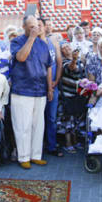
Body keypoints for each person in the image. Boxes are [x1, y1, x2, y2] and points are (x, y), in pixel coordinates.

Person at [10, 15, 53, 169]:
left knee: (38, 125)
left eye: (36, 26)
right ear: (24, 27)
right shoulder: (17, 41)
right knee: (23, 126)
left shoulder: (43, 45)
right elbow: (21, 57)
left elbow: (48, 66)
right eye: (31, 26)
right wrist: (31, 38)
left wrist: (50, 88)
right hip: (22, 89)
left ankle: (36, 155)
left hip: (40, 90)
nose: (35, 29)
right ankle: (23, 157)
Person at [59, 42, 86, 153]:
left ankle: (75, 142)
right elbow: (71, 68)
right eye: (64, 48)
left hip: (77, 96)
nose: (67, 48)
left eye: (68, 46)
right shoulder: (64, 62)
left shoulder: (80, 61)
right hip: (67, 96)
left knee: (75, 121)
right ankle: (68, 144)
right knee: (68, 121)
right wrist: (74, 60)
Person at [42, 18, 63, 157]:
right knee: (39, 117)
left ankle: (51, 145)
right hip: (39, 86)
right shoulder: (35, 43)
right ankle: (40, 146)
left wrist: (56, 80)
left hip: (53, 85)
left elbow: (59, 62)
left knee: (51, 117)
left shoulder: (54, 41)